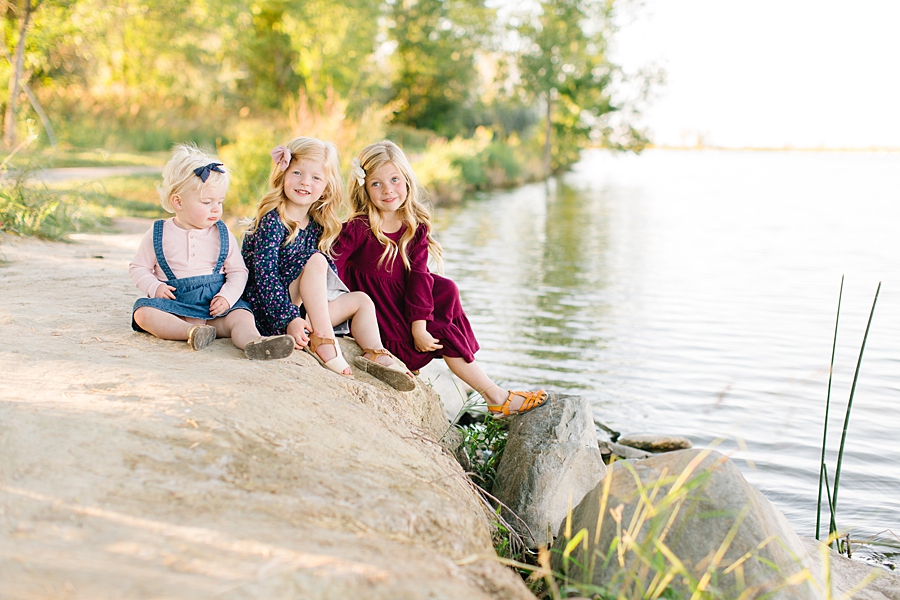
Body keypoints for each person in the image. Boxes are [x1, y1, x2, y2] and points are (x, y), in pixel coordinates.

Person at [332, 140, 548, 418]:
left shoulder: (414, 227)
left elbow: (420, 277)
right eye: (376, 183)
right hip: (379, 323)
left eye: (395, 179)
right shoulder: (359, 228)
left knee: (444, 288)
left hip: (404, 318)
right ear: (363, 187)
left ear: (407, 180)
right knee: (444, 331)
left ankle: (491, 391)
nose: (388, 190)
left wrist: (418, 327)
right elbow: (329, 267)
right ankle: (496, 396)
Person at [240, 136, 415, 391]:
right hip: (270, 312)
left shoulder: (317, 224)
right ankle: (323, 340)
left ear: (326, 186)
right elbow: (264, 278)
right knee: (316, 260)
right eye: (297, 172)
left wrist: (311, 312)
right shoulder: (272, 221)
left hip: (303, 313)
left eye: (315, 178)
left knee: (362, 301)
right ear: (282, 174)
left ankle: (375, 353)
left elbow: (323, 279)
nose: (304, 182)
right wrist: (290, 318)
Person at [130, 144, 294, 360]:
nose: (216, 208)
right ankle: (191, 332)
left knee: (242, 316)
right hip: (176, 307)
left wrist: (227, 298)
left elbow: (238, 271)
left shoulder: (221, 232)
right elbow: (138, 267)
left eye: (220, 202)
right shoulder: (160, 232)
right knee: (143, 312)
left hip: (216, 308)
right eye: (207, 202)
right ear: (177, 201)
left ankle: (255, 342)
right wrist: (155, 286)